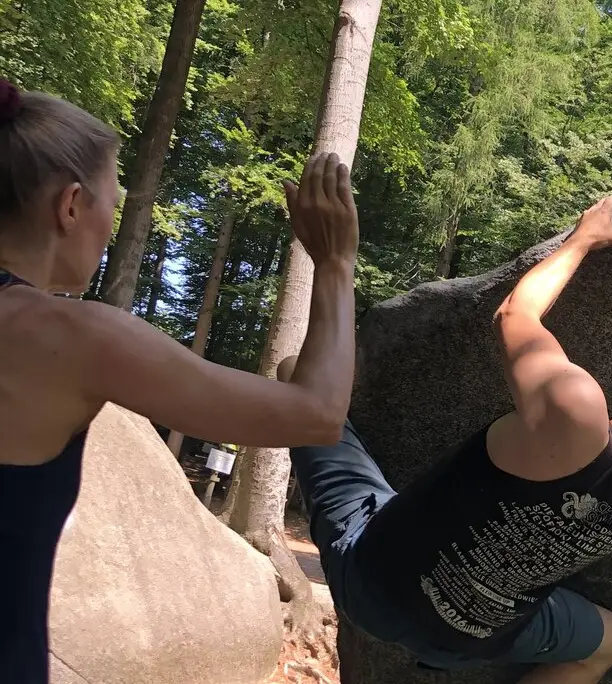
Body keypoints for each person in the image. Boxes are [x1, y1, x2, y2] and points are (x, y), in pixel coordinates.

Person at [284, 115, 612, 683]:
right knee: (606, 642)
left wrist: (581, 240)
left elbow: (515, 313)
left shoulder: (576, 410)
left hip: (372, 583)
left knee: (298, 374)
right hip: (469, 643)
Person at [0, 80, 360, 683]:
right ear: (69, 206)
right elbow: (318, 414)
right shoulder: (67, 335)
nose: (110, 227)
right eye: (112, 204)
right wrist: (335, 264)